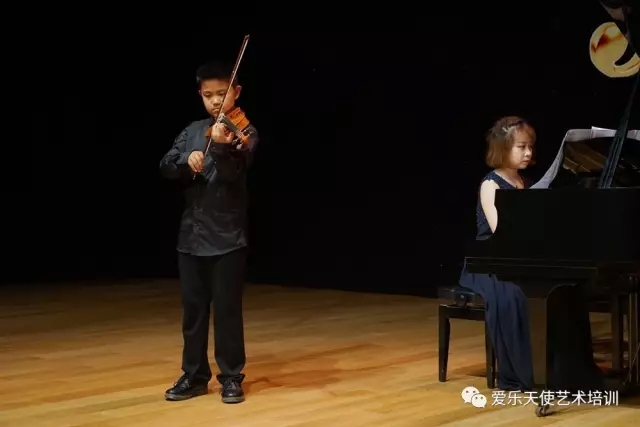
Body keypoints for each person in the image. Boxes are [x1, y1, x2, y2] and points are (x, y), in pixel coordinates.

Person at [458, 116, 606, 393]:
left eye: (530, 146)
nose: (528, 152)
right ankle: (530, 374)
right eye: (521, 147)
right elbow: (501, 233)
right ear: (503, 148)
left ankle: (568, 374)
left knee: (565, 290)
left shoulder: (529, 182)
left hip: (524, 258)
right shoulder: (491, 184)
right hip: (491, 262)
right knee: (515, 295)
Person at [158, 60, 258, 404]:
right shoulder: (192, 130)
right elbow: (166, 166)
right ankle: (194, 375)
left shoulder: (244, 132)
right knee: (193, 313)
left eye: (222, 93)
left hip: (228, 237)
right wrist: (186, 159)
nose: (216, 101)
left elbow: (231, 174)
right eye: (208, 95)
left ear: (236, 92)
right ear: (200, 95)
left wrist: (220, 147)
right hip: (191, 236)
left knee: (227, 312)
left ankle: (231, 377)